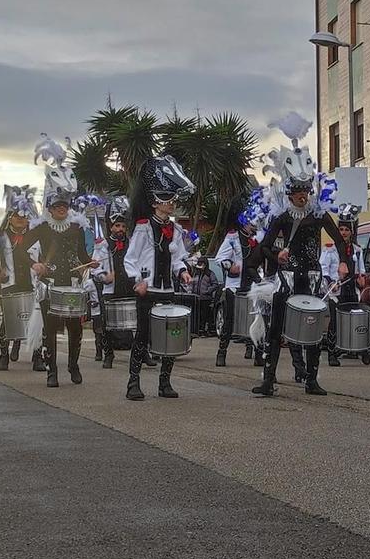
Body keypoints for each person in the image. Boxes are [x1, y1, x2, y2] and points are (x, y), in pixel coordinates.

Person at [251, 126, 343, 398]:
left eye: (306, 190)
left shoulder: (319, 214)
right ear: (290, 193)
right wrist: (277, 255)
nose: (303, 195)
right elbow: (264, 248)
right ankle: (268, 380)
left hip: (312, 278)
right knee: (277, 328)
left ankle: (311, 380)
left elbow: (339, 240)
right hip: (287, 278)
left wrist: (343, 262)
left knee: (313, 328)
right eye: (298, 191)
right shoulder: (282, 218)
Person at [124, 157, 197, 401]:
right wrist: (138, 280)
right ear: (156, 202)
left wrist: (182, 272)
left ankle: (165, 383)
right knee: (142, 336)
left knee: (170, 337)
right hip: (148, 289)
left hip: (167, 291)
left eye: (174, 200)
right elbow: (130, 258)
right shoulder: (144, 227)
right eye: (169, 200)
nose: (173, 204)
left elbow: (178, 258)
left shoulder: (175, 230)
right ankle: (133, 383)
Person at [30, 174, 94, 387]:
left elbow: (82, 255)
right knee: (50, 330)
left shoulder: (76, 228)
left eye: (65, 204)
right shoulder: (42, 228)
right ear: (49, 207)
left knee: (75, 329)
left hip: (73, 285)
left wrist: (89, 263)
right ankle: (52, 372)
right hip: (50, 285)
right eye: (57, 204)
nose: (61, 207)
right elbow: (20, 249)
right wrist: (35, 264)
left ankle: (73, 366)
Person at [0, 186, 41, 372]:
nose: (21, 220)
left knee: (36, 321)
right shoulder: (0, 237)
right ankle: (4, 355)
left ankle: (37, 355)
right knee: (8, 321)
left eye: (24, 217)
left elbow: (45, 256)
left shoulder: (37, 236)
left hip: (32, 284)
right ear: (10, 217)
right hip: (10, 283)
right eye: (17, 216)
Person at [320, 206, 370, 367]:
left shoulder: (357, 250)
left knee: (355, 318)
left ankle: (361, 349)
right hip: (336, 290)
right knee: (335, 322)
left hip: (350, 289)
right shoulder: (330, 249)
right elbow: (324, 269)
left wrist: (361, 279)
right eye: (340, 229)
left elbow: (361, 270)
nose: (343, 232)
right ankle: (333, 353)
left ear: (352, 231)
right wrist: (330, 283)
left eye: (346, 229)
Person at [90, 201, 136, 370]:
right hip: (110, 289)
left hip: (130, 286)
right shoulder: (102, 245)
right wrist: (104, 276)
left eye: (123, 226)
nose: (120, 229)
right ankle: (108, 354)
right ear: (111, 227)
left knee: (137, 323)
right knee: (107, 324)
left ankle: (141, 352)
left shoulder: (132, 243)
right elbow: (94, 267)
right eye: (117, 225)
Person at [213, 211, 262, 367]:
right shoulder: (233, 237)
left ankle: (256, 353)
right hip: (234, 285)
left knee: (257, 319)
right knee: (229, 320)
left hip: (253, 284)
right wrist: (230, 266)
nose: (253, 226)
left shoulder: (258, 238)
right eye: (250, 223)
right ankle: (221, 353)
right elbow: (219, 258)